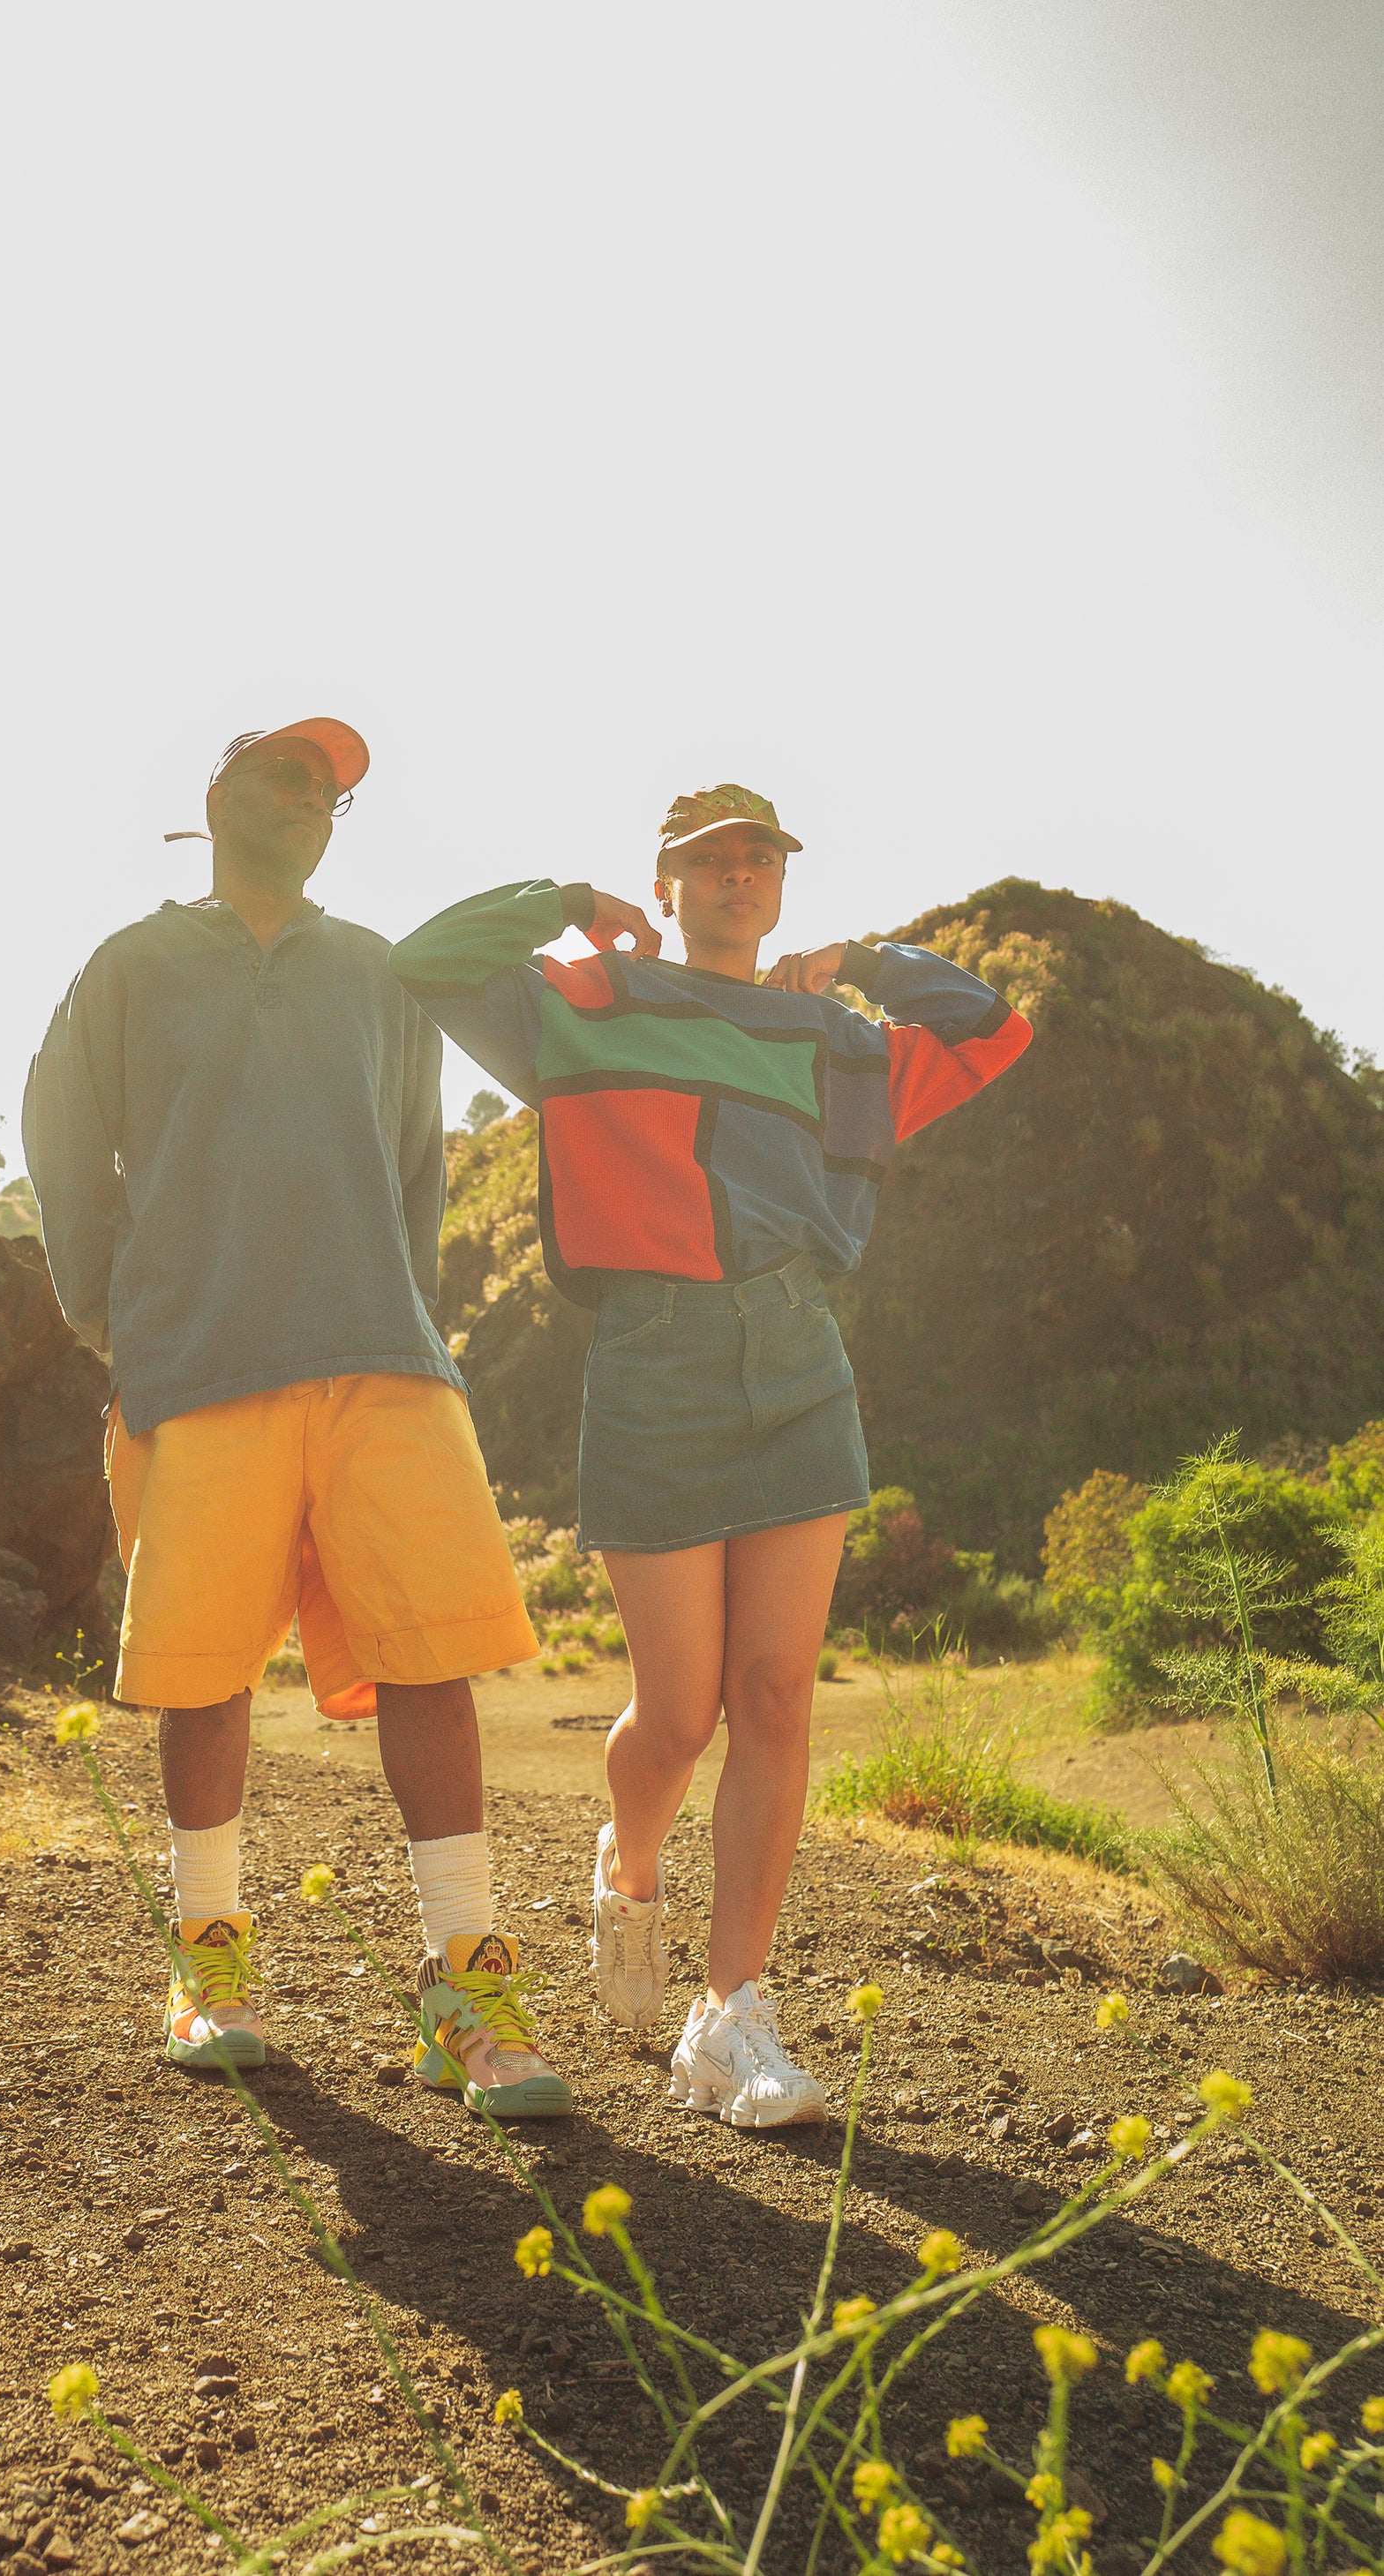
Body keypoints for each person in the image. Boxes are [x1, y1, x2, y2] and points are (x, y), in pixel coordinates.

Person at [389, 783, 1032, 2127]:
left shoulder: (838, 1042)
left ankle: (729, 2020)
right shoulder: (586, 1001)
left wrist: (863, 963)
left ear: (781, 885)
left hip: (798, 1360)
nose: (738, 876)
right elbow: (430, 960)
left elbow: (994, 1026)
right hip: (652, 1361)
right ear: (667, 883)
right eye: (709, 861)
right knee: (677, 1715)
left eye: (759, 859)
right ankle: (628, 1870)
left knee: (775, 1696)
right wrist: (569, 904)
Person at [23, 719, 571, 2120]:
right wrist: (114, 1318)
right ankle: (207, 1966)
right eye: (289, 777)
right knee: (203, 1673)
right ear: (217, 798)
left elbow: (417, 1163)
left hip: (380, 1357)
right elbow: (63, 1138)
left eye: (331, 794)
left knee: (431, 1662)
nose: (315, 802)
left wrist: (401, 1304)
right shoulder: (130, 967)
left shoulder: (377, 973)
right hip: (199, 1364)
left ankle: (466, 1994)